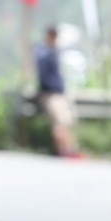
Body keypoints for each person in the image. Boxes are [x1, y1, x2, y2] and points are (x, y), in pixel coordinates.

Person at [34, 25, 82, 159]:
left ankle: (69, 148)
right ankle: (63, 150)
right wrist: (55, 87)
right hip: (50, 94)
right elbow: (44, 77)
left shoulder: (53, 52)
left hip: (59, 93)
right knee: (60, 121)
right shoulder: (43, 53)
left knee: (65, 121)